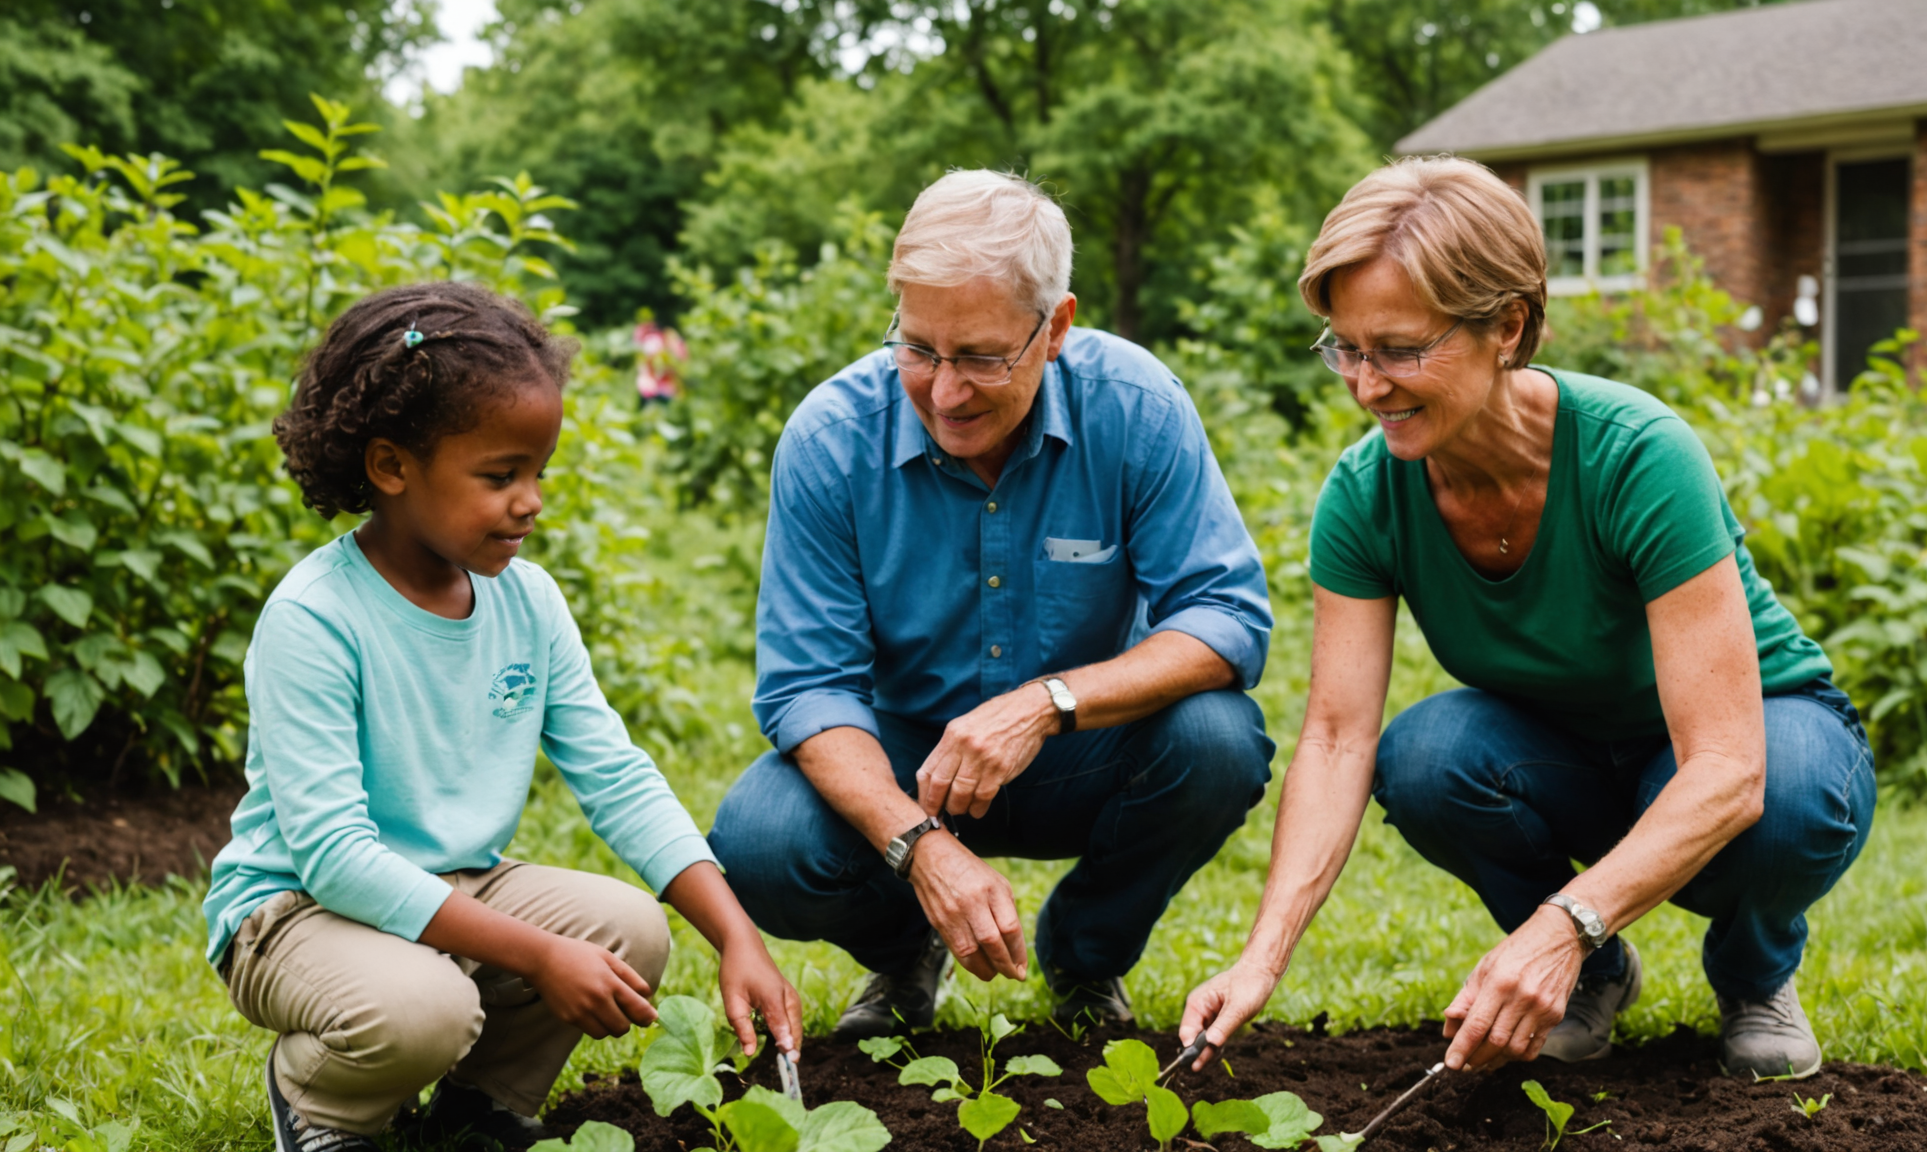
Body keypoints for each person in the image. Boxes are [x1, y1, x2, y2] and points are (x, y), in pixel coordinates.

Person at [1177, 157, 1875, 1082]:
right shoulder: (1365, 495)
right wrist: (1260, 958)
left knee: (1783, 803)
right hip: (1568, 753)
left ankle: (1753, 973)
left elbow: (1729, 768)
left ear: (1506, 325)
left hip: (1753, 740)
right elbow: (1339, 740)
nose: (1366, 384)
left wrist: (1561, 914)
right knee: (1425, 757)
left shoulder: (1638, 456)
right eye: (1345, 347)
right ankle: (1591, 973)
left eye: (1400, 348)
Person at [202, 281, 803, 1152]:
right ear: (391, 467)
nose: (532, 501)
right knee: (426, 1009)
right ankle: (322, 1101)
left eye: (538, 472)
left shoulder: (525, 601)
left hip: (454, 884)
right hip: (296, 913)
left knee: (630, 933)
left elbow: (617, 776)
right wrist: (537, 954)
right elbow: (335, 858)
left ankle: (477, 1108)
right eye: (500, 476)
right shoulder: (316, 618)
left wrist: (734, 935)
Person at [707, 170, 1276, 1039]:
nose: (942, 391)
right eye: (919, 348)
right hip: (904, 763)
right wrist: (918, 845)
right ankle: (907, 952)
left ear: (1055, 329)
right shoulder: (829, 439)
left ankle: (1086, 956)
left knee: (1219, 739)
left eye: (979, 357)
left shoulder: (1137, 406)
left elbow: (1227, 615)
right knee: (759, 838)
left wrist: (1046, 705)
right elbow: (807, 689)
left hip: (1078, 748)